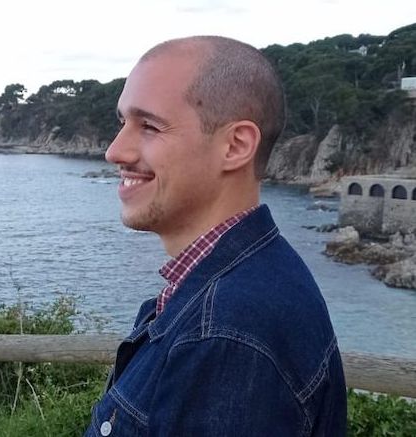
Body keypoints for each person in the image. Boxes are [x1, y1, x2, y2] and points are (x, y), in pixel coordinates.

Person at [85, 35, 347, 436]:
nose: (114, 151)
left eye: (149, 126)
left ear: (235, 145)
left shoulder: (227, 333)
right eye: (123, 123)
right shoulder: (246, 282)